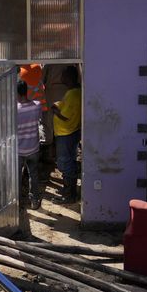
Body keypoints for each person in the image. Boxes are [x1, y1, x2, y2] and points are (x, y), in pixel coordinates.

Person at [51, 66, 82, 203]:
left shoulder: (72, 94)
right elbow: (65, 105)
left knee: (65, 163)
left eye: (63, 75)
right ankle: (69, 192)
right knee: (69, 161)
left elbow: (65, 116)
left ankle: (69, 196)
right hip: (71, 132)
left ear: (69, 78)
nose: (61, 78)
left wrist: (55, 111)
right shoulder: (75, 92)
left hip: (66, 133)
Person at [16, 80, 43, 210]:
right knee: (34, 175)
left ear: (16, 93)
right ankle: (34, 201)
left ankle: (17, 202)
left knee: (17, 177)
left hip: (19, 150)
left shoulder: (14, 110)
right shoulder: (37, 105)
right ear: (26, 91)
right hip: (33, 148)